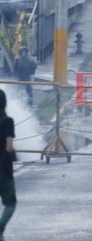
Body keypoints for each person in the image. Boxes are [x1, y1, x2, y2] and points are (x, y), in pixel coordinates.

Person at [0, 90, 16, 240]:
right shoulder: (7, 121)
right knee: (10, 203)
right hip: (3, 168)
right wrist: (13, 155)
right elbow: (9, 147)